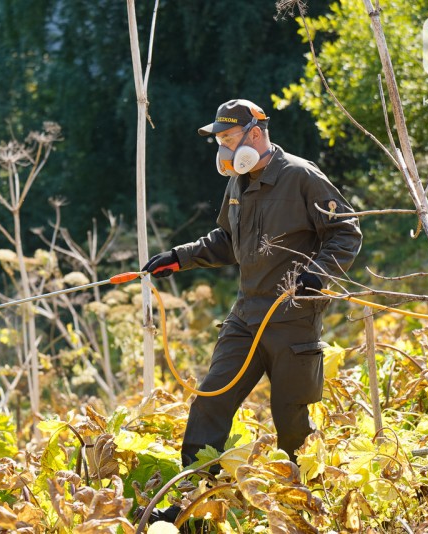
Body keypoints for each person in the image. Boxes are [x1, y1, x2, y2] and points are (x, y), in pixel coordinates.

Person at [140, 99, 362, 524]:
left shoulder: (301, 176)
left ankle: (303, 505)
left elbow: (346, 231)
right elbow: (226, 241)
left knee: (291, 417)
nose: (222, 149)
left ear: (254, 134)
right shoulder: (238, 182)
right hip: (246, 317)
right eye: (219, 140)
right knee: (211, 400)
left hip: (293, 316)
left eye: (227, 138)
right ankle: (193, 501)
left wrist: (318, 274)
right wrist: (179, 257)